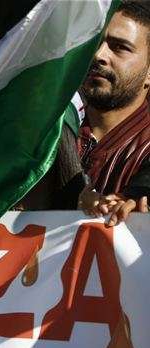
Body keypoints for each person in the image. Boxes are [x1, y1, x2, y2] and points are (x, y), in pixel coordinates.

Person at [77, 0, 150, 224]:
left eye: (120, 47)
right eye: (95, 42)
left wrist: (134, 205)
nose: (99, 55)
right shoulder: (46, 133)